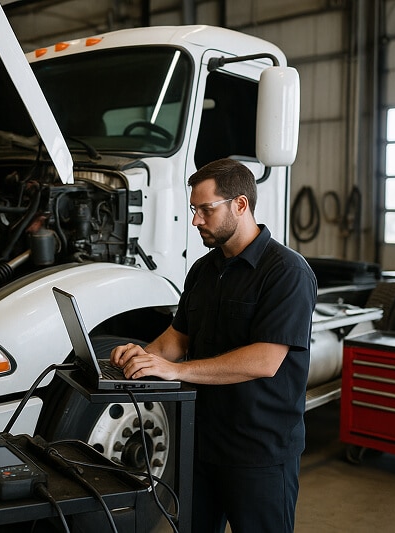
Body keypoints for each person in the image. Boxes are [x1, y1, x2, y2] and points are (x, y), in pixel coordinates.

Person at [111, 158, 317, 532]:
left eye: (206, 209)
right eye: (194, 209)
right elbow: (178, 337)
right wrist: (142, 356)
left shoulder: (286, 272)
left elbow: (265, 360)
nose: (195, 220)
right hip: (201, 443)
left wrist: (175, 370)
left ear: (240, 204)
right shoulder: (203, 270)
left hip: (259, 452)